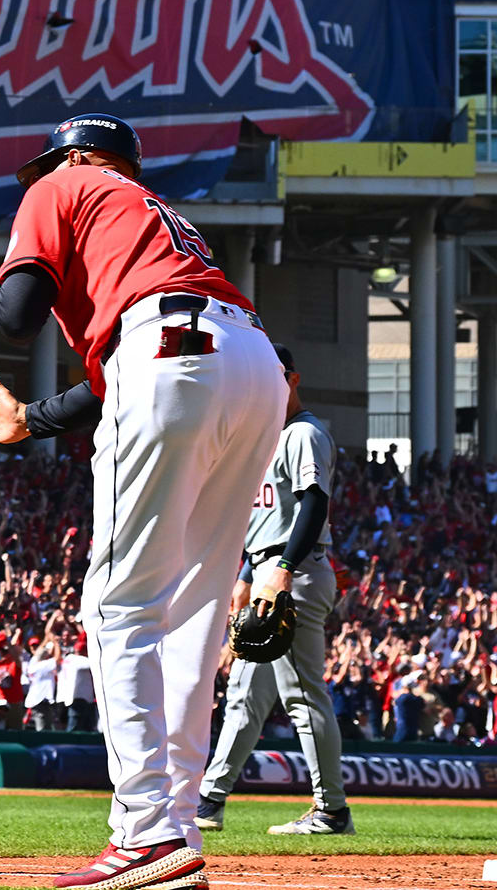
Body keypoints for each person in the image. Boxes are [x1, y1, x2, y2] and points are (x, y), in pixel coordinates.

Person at [0, 114, 282, 890]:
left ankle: (143, 833)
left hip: (170, 351)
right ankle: (171, 832)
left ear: (77, 155)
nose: (42, 174)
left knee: (119, 607)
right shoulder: (156, 216)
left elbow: (15, 319)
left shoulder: (66, 182)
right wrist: (31, 420)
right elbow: (114, 375)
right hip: (254, 363)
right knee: (193, 614)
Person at [197, 344, 352, 837]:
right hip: (266, 569)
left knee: (303, 695)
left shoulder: (304, 433)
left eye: (275, 377)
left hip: (295, 571)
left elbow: (313, 507)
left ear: (292, 379)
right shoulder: (264, 436)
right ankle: (209, 801)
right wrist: (246, 573)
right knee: (244, 694)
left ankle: (332, 811)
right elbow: (264, 516)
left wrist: (281, 569)